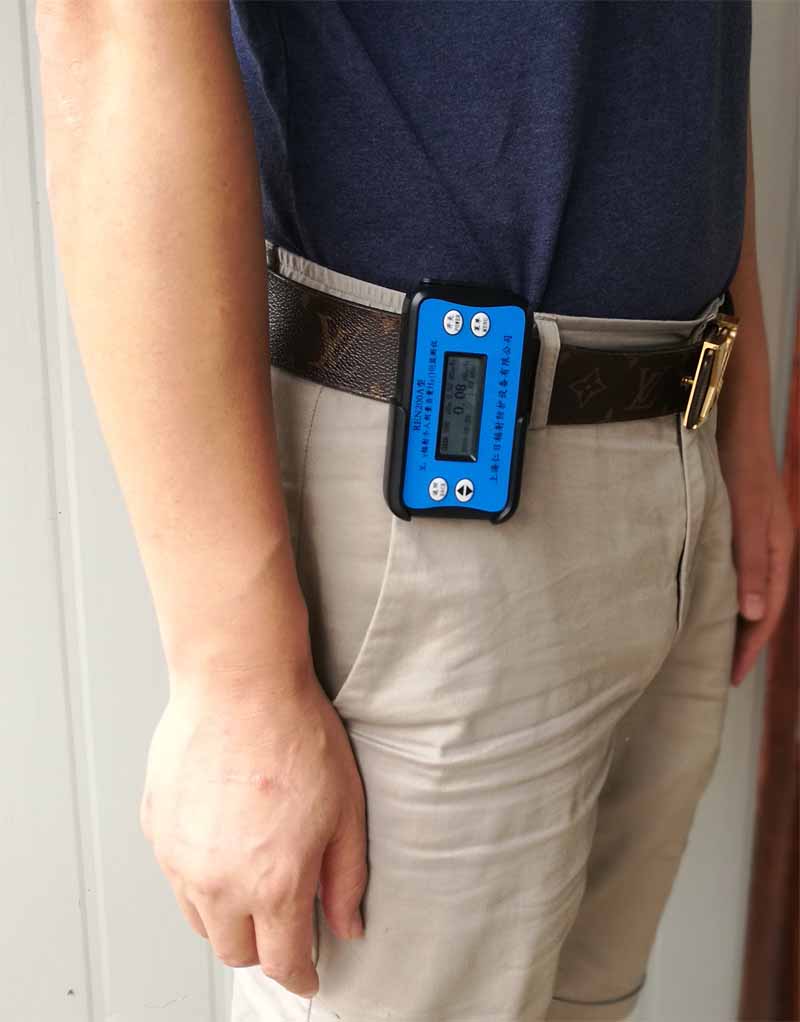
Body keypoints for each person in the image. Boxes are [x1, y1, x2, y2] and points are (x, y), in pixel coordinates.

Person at [35, 2, 794, 1021]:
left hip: (677, 452)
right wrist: (232, 677)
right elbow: (113, 28)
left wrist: (739, 409)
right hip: (425, 513)